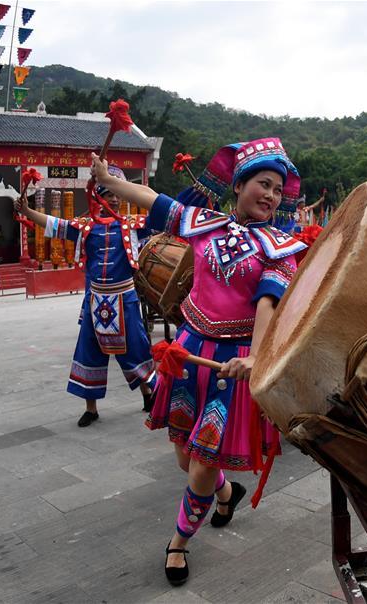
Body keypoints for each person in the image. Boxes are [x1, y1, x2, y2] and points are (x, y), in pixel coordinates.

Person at [91, 137, 306, 587]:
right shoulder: (204, 223)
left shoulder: (280, 245)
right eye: (262, 184)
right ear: (238, 184)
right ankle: (226, 494)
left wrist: (258, 358)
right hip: (187, 355)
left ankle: (179, 542)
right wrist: (112, 182)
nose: (269, 195)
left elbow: (268, 302)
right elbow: (156, 201)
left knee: (204, 459)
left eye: (276, 190)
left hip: (231, 366)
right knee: (183, 456)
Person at [15, 165, 157, 427]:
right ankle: (91, 409)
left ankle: (149, 395)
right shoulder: (85, 227)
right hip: (96, 301)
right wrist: (27, 211)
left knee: (136, 349)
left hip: (124, 298)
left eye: (116, 194)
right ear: (97, 196)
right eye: (107, 193)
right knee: (89, 351)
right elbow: (55, 224)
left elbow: (166, 215)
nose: (113, 199)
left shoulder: (134, 226)